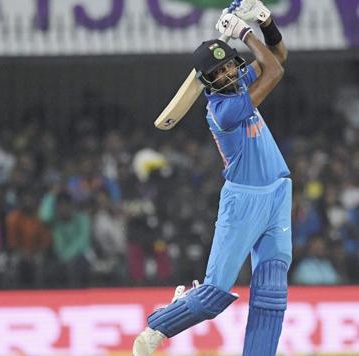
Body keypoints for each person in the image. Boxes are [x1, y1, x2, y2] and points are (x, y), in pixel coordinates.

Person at [133, 1, 291, 355]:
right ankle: (162, 323)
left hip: (278, 193)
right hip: (243, 201)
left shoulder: (237, 82)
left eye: (230, 65)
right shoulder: (223, 111)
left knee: (271, 293)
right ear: (207, 81)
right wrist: (246, 33)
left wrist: (266, 20)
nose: (229, 74)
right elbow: (274, 72)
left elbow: (278, 57)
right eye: (219, 72)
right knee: (215, 295)